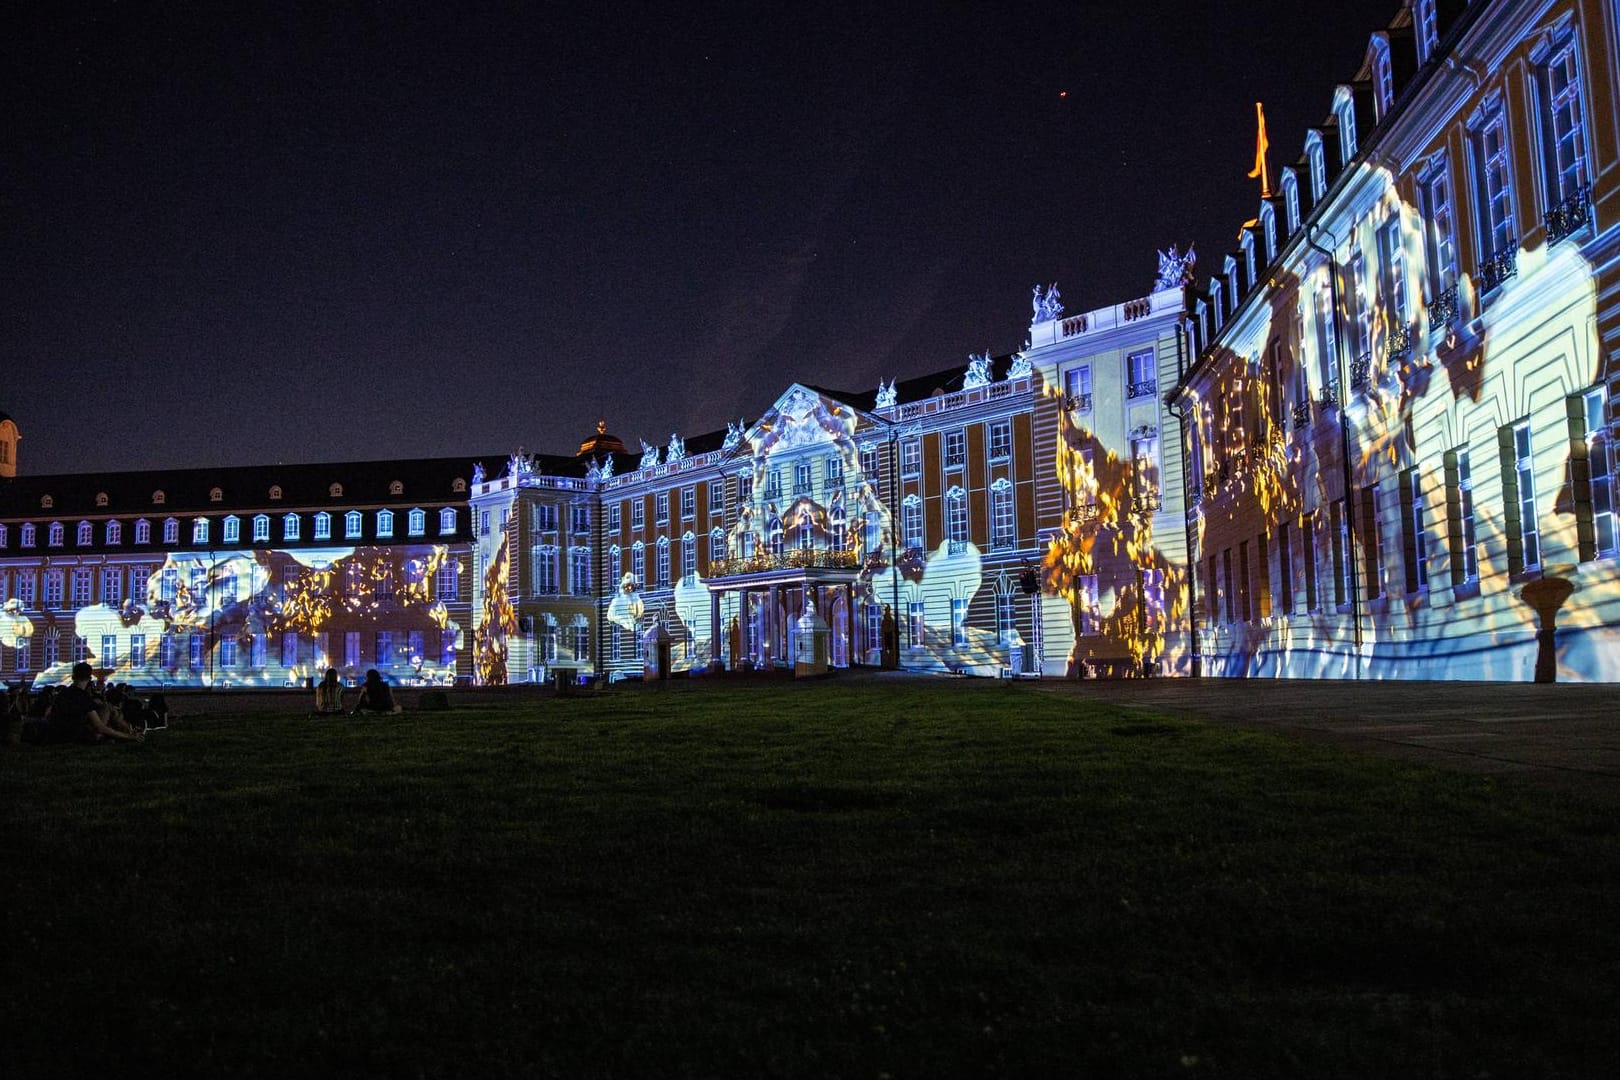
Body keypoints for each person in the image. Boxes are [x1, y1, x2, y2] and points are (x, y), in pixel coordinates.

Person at [49, 662, 143, 744]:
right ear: (90, 678)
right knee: (106, 707)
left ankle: (129, 729)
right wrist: (128, 737)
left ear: (73, 677)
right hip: (76, 736)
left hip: (57, 733)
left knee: (106, 708)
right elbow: (100, 727)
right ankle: (130, 731)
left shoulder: (63, 694)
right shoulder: (84, 697)